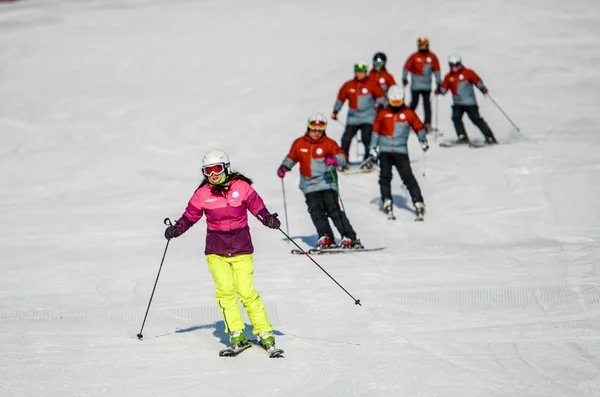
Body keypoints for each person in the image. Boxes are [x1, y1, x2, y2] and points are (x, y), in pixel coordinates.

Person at [164, 149, 281, 351]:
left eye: (217, 169)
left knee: (246, 292)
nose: (213, 174)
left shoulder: (242, 188)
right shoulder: (203, 194)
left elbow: (258, 208)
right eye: (208, 171)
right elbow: (189, 216)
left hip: (241, 248)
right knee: (225, 292)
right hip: (216, 251)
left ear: (225, 168)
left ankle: (264, 333)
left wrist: (268, 219)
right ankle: (236, 333)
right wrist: (176, 229)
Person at [277, 113, 363, 248]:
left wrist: (335, 160)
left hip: (327, 183)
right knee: (315, 210)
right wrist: (284, 166)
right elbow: (292, 157)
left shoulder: (329, 144)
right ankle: (325, 236)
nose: (316, 133)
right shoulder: (299, 143)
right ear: (308, 128)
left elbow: (342, 157)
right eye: (313, 129)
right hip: (309, 185)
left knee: (333, 209)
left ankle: (349, 236)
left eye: (319, 130)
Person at [367, 85, 428, 220]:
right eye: (393, 102)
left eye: (398, 102)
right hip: (385, 151)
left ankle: (418, 202)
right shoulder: (383, 114)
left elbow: (418, 127)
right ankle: (387, 200)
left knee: (407, 177)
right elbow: (376, 132)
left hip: (400, 151)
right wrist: (373, 148)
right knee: (385, 177)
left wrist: (423, 140)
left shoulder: (408, 113)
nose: (395, 105)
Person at [331, 62, 387, 167]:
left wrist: (380, 104)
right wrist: (335, 111)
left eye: (362, 72)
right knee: (346, 138)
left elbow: (382, 97)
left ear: (365, 72)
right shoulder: (349, 85)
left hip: (368, 117)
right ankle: (343, 161)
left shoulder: (372, 84)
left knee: (367, 138)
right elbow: (341, 98)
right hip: (353, 118)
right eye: (358, 72)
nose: (360, 74)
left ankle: (369, 160)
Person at [435, 54, 498, 144]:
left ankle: (490, 136)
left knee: (476, 119)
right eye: (452, 65)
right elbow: (444, 89)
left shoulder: (468, 73)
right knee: (456, 118)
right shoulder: (449, 77)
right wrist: (439, 90)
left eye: (457, 64)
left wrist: (482, 88)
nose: (455, 67)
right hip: (458, 103)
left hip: (469, 102)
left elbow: (477, 80)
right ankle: (462, 136)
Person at [402, 37, 442, 133]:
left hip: (427, 86)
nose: (423, 47)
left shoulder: (432, 57)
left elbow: (436, 69)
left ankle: (427, 123)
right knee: (414, 103)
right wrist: (404, 78)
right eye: (421, 46)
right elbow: (406, 67)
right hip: (415, 85)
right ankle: (406, 121)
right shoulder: (414, 56)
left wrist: (438, 81)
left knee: (427, 105)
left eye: (424, 45)